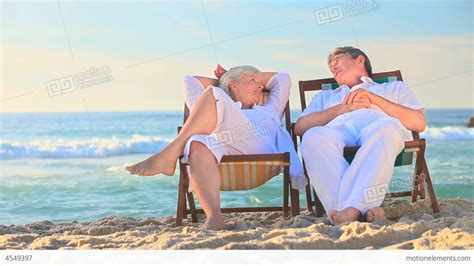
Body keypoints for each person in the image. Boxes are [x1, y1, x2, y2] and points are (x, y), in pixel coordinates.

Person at [126, 65, 306, 230]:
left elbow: (282, 78)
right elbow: (189, 81)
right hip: (221, 146)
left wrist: (225, 78)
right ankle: (214, 217)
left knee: (213, 95)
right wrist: (226, 80)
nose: (261, 87)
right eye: (253, 81)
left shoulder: (269, 108)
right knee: (196, 141)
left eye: (260, 83)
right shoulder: (212, 103)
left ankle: (169, 154)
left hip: (257, 145)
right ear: (234, 86)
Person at [295, 46, 426, 224]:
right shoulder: (325, 97)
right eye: (330, 66)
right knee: (312, 137)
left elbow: (418, 122)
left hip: (377, 124)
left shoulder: (393, 87)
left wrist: (374, 99)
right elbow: (300, 127)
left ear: (360, 60)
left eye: (338, 60)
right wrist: (342, 109)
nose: (333, 67)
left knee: (386, 127)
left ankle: (348, 211)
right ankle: (361, 209)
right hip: (337, 128)